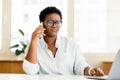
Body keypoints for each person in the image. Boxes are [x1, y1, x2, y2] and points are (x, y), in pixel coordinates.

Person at [23, 6, 104, 76]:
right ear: (42, 24)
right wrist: (33, 41)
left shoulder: (71, 43)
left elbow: (80, 66)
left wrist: (91, 71)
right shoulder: (34, 45)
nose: (54, 25)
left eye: (58, 22)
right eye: (50, 22)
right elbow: (30, 71)